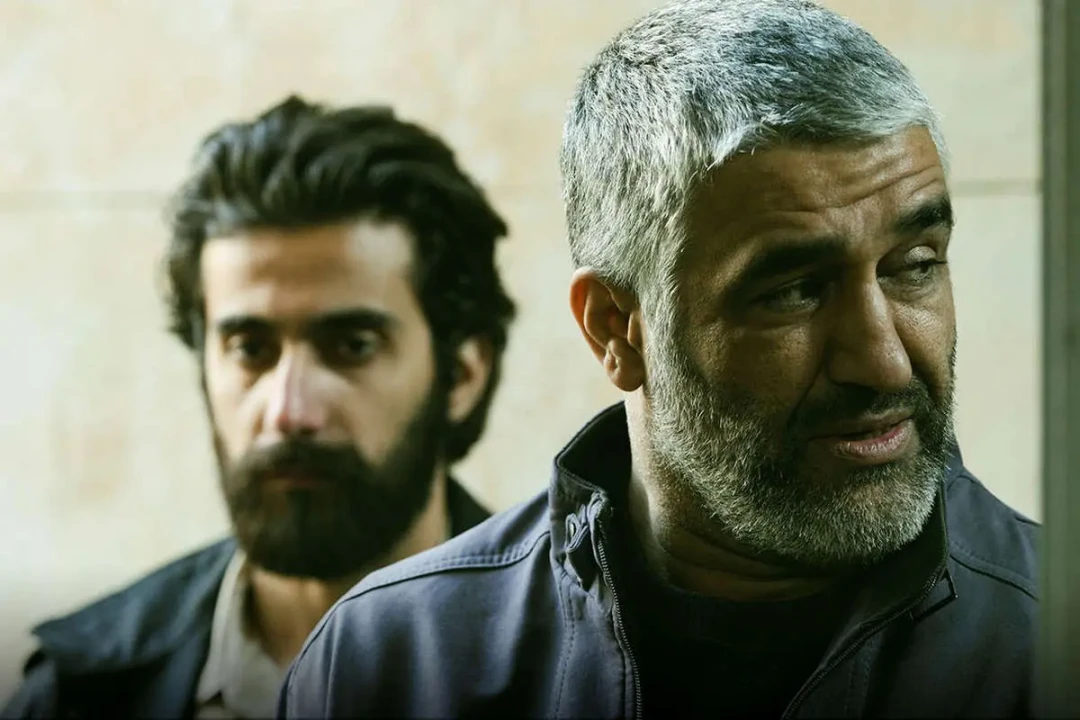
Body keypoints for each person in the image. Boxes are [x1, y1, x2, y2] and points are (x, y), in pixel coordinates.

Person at [278, 1, 1038, 717]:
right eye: (793, 292)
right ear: (616, 327)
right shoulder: (393, 665)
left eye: (915, 265)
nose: (884, 363)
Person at [2, 95, 516, 719]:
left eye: (352, 346)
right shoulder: (77, 698)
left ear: (462, 375)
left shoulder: (590, 674)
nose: (288, 412)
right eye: (250, 349)